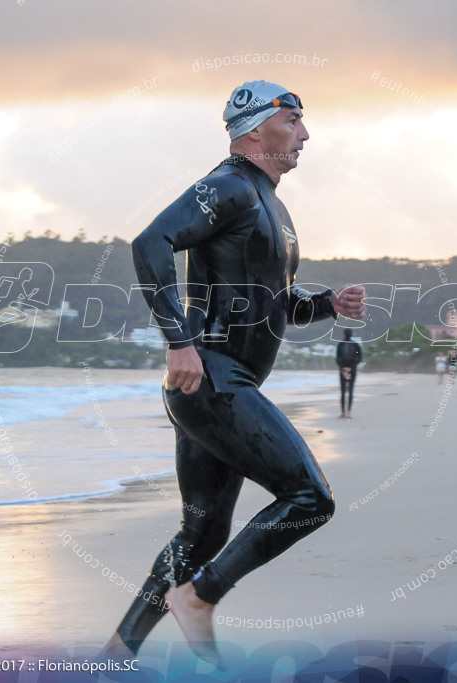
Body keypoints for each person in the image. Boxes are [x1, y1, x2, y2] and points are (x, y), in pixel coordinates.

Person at [105, 80, 366, 662]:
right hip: (212, 379)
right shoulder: (228, 186)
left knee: (201, 536)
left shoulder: (272, 205)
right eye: (294, 120)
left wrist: (327, 304)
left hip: (215, 388)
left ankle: (115, 654)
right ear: (255, 128)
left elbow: (277, 305)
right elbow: (151, 241)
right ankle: (199, 599)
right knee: (309, 498)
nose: (305, 134)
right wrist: (178, 341)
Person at [336, 329, 361, 418]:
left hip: (344, 371)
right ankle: (348, 412)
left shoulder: (340, 345)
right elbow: (359, 358)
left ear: (345, 334)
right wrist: (350, 367)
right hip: (352, 370)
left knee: (343, 392)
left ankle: (343, 412)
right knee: (350, 391)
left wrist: (344, 368)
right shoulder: (356, 345)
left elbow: (338, 358)